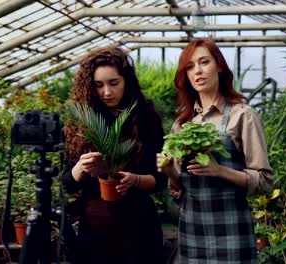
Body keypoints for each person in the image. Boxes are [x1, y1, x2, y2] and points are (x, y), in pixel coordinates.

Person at [157, 38, 274, 263]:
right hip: (192, 231)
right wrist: (170, 170)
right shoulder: (182, 124)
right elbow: (179, 190)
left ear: (219, 65)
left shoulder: (243, 115)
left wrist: (219, 170)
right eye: (190, 67)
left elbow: (265, 181)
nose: (197, 71)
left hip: (232, 230)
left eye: (204, 62)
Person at [62, 46, 167, 264]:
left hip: (138, 228)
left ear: (126, 81)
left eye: (114, 83)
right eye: (99, 85)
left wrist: (135, 180)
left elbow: (160, 180)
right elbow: (67, 183)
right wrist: (81, 168)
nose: (107, 92)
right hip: (95, 230)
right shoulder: (82, 122)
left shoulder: (146, 119)